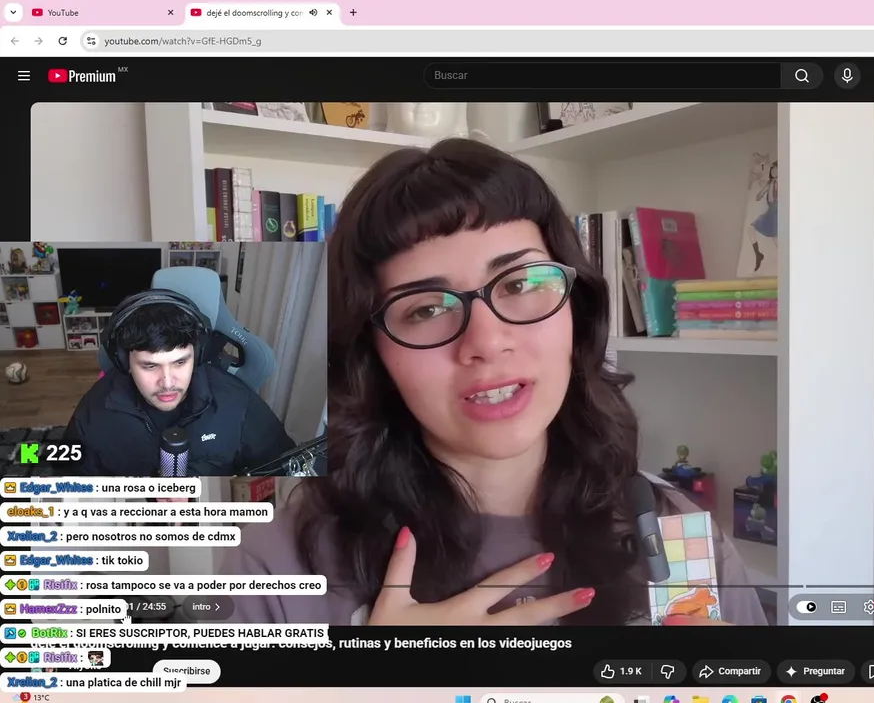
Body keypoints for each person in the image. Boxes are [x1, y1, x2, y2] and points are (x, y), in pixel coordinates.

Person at [222, 139, 767, 627]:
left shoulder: (679, 536)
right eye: (426, 308)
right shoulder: (276, 569)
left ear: (576, 310)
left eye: (521, 283)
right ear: (373, 353)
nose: (486, 341)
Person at [62, 299, 297, 476]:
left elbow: (284, 470)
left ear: (197, 356)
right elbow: (70, 481)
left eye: (180, 362)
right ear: (125, 363)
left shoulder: (237, 403)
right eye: (150, 366)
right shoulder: (94, 410)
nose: (167, 382)